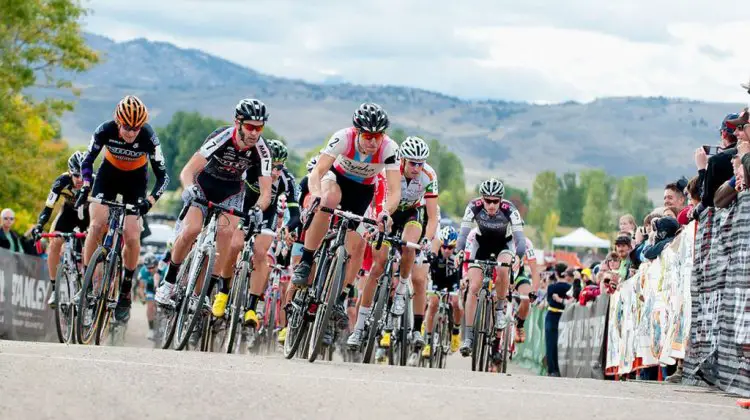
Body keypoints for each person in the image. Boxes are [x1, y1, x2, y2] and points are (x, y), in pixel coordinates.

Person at [291, 103, 401, 344]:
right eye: (368, 136)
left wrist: (385, 212)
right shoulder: (343, 137)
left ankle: (339, 297)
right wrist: (316, 194)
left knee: (358, 244)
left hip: (362, 190)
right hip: (335, 178)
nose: (373, 142)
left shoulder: (389, 148)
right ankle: (307, 261)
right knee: (329, 199)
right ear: (357, 131)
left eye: (378, 136)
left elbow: (394, 191)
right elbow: (318, 171)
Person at [155, 99, 272, 321]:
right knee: (191, 231)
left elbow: (266, 192)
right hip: (204, 185)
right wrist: (189, 188)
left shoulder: (262, 150)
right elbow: (188, 170)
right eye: (250, 127)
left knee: (226, 235)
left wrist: (258, 208)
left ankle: (203, 294)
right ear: (237, 123)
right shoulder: (222, 137)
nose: (255, 133)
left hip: (231, 191)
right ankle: (169, 282)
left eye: (259, 128)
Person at [77, 95, 169, 323]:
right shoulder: (104, 130)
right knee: (96, 224)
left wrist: (150, 200)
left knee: (132, 234)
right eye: (127, 127)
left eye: (136, 128)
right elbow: (87, 160)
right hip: (108, 177)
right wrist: (86, 184)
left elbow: (163, 176)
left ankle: (126, 290)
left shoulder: (149, 137)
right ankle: (86, 284)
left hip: (135, 182)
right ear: (118, 122)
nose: (131, 132)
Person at [346, 136, 437, 352]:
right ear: (403, 159)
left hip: (412, 214)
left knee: (409, 245)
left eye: (421, 163)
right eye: (413, 163)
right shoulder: (390, 169)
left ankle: (403, 285)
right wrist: (373, 227)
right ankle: (359, 329)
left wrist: (427, 239)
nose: (417, 168)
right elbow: (376, 201)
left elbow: (432, 217)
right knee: (377, 267)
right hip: (388, 213)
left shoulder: (428, 175)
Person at [212, 139, 299, 327]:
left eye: (279, 167)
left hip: (267, 214)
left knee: (261, 253)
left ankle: (251, 308)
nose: (275, 172)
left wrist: (288, 227)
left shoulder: (287, 179)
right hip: (242, 206)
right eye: (272, 167)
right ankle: (223, 293)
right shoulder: (249, 168)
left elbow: (295, 214)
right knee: (234, 245)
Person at [457, 178, 528, 357]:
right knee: (474, 287)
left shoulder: (509, 210)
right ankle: (469, 337)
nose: (491, 205)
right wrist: (459, 251)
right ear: (482, 198)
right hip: (480, 245)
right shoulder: (473, 206)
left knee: (504, 269)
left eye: (495, 201)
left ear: (501, 200)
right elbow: (464, 234)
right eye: (487, 200)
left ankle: (499, 310)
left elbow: (520, 238)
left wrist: (519, 256)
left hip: (504, 245)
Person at [31, 151, 90, 307]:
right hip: (69, 213)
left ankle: (89, 288)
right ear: (70, 172)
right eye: (76, 175)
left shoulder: (94, 181)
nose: (80, 180)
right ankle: (54, 289)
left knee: (90, 246)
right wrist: (39, 226)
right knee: (55, 243)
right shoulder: (61, 181)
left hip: (88, 215)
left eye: (83, 175)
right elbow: (48, 207)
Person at [421, 226, 463, 357]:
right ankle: (428, 342)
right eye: (444, 247)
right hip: (437, 280)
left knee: (456, 303)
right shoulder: (435, 251)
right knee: (433, 304)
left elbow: (465, 270)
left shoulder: (458, 255)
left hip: (452, 281)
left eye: (450, 248)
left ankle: (455, 332)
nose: (446, 250)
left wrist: (464, 279)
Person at [545, 263, 572, 376]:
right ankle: (563, 369)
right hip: (566, 316)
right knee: (564, 343)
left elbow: (548, 300)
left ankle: (553, 369)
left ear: (556, 273)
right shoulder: (569, 287)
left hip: (552, 315)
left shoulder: (551, 287)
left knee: (551, 343)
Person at [137, 253, 164, 340]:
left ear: (157, 265)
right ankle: (151, 329)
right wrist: (142, 298)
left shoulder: (163, 268)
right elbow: (141, 288)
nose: (151, 270)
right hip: (150, 289)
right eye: (148, 268)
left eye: (153, 267)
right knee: (150, 306)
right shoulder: (144, 271)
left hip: (162, 288)